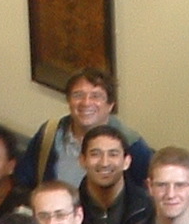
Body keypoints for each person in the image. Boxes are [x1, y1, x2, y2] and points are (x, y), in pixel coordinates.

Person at [16, 67, 152, 189]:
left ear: (110, 105)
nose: (86, 102)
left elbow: (149, 191)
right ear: (69, 101)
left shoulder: (131, 144)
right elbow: (24, 181)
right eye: (78, 95)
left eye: (96, 96)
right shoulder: (50, 135)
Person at [78, 125, 154, 224]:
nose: (104, 163)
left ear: (127, 161)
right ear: (82, 160)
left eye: (113, 154)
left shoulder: (148, 208)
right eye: (95, 154)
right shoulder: (69, 209)